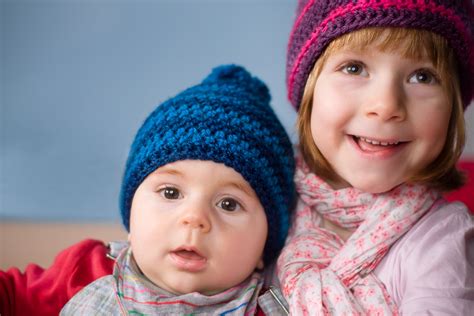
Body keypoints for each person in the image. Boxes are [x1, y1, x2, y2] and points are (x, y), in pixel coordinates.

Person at [1, 65, 295, 315]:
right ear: (131, 213)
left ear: (265, 245)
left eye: (229, 204)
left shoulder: (274, 307)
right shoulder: (84, 270)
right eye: (171, 193)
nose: (194, 218)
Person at [276, 0, 474, 315]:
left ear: (452, 108)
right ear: (308, 91)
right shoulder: (265, 206)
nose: (386, 105)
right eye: (354, 68)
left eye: (422, 76)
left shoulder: (442, 240)